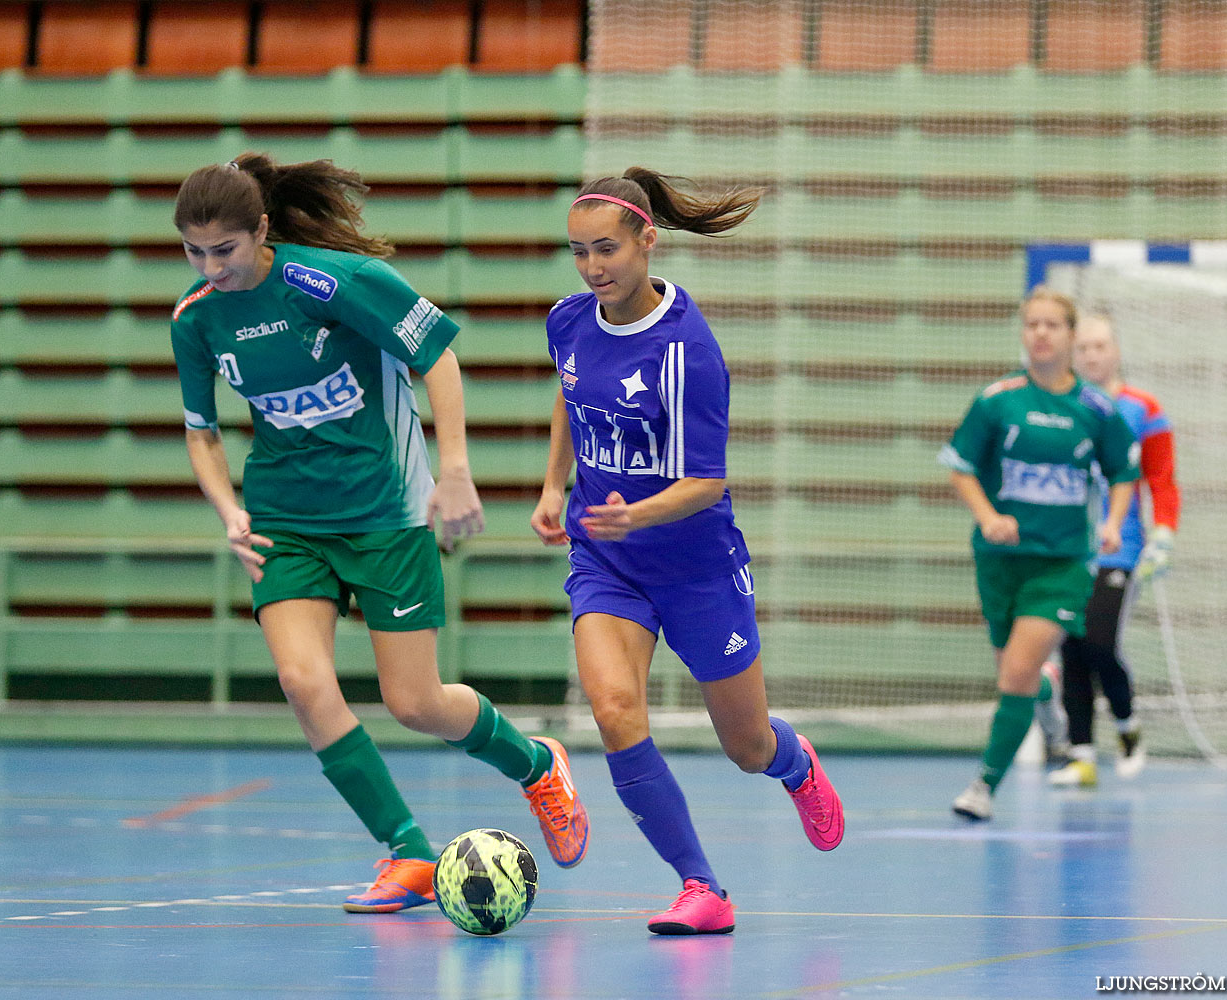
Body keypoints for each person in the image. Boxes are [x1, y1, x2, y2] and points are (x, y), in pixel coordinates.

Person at [168, 152, 588, 914]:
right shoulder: (195, 317)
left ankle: (535, 764)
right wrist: (229, 509)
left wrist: (454, 470)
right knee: (304, 683)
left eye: (223, 249)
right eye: (194, 252)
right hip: (284, 521)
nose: (210, 266)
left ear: (261, 231)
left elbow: (440, 361)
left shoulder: (334, 282)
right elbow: (201, 431)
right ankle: (409, 854)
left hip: (386, 511)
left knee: (416, 702)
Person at [530, 167, 844, 935]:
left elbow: (706, 482)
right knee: (612, 711)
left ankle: (794, 763)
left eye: (606, 249)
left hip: (697, 568)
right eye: (578, 252)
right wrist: (552, 485)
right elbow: (572, 393)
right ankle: (700, 886)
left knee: (745, 745)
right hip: (608, 561)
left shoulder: (688, 352)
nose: (593, 267)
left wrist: (631, 515)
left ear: (647, 240)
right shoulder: (570, 321)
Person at [938, 287, 1140, 821]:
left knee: (1016, 673)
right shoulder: (997, 400)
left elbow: (1124, 471)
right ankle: (1044, 691)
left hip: (1063, 564)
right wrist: (988, 517)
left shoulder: (1096, 409)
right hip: (1001, 561)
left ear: (1071, 337)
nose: (1041, 334)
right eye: (1033, 325)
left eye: (1053, 325)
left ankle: (983, 786)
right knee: (1016, 667)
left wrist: (1114, 524)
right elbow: (960, 466)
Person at [1048, 312, 1180, 787]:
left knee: (1099, 641)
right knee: (1071, 649)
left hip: (1118, 550)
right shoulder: (1059, 406)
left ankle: (1127, 725)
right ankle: (1081, 754)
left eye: (1100, 346)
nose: (1091, 355)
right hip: (1066, 550)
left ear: (1115, 350)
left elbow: (1162, 481)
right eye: (1083, 347)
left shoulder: (1143, 409)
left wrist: (1163, 533)